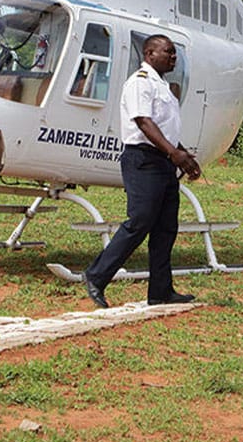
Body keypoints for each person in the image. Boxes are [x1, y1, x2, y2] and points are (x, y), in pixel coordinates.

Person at [83, 34, 201, 308]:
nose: (174, 57)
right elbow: (144, 123)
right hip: (143, 159)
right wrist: (174, 153)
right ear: (150, 54)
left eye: (174, 53)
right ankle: (96, 276)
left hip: (164, 161)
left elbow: (164, 128)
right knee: (140, 222)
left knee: (165, 227)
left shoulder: (161, 85)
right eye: (168, 52)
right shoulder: (140, 82)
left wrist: (182, 156)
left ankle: (160, 291)